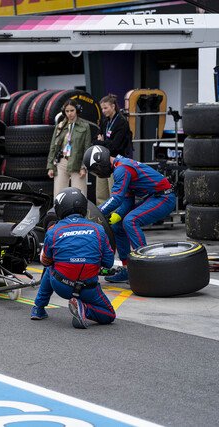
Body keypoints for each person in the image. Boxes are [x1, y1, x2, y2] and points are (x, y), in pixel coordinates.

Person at [83, 145, 176, 283]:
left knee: (130, 221)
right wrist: (117, 215)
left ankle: (144, 267)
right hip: (153, 197)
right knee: (117, 226)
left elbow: (116, 198)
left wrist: (97, 213)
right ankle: (127, 269)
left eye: (96, 170)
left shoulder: (122, 169)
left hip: (164, 198)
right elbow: (127, 201)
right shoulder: (120, 168)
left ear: (100, 163)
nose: (98, 173)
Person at [30, 187, 116, 329]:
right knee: (109, 315)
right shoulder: (98, 229)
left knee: (50, 266)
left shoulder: (53, 231)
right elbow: (109, 263)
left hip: (62, 286)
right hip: (89, 288)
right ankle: (85, 309)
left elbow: (45, 261)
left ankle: (38, 308)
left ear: (60, 208)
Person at [46, 99, 91, 197]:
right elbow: (53, 147)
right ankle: (59, 212)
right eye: (67, 111)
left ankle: (79, 213)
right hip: (62, 162)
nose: (69, 113)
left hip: (77, 164)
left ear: (77, 110)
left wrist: (84, 167)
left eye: (72, 110)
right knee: (58, 195)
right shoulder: (60, 126)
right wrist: (50, 166)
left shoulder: (85, 126)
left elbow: (87, 149)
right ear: (64, 112)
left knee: (80, 195)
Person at [96, 94, 133, 205]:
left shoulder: (122, 122)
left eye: (105, 108)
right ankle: (102, 218)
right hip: (103, 161)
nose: (103, 111)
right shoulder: (105, 121)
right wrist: (102, 142)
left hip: (116, 162)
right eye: (102, 108)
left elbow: (115, 146)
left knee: (114, 192)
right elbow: (96, 139)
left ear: (113, 106)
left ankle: (116, 218)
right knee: (101, 194)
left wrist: (102, 142)